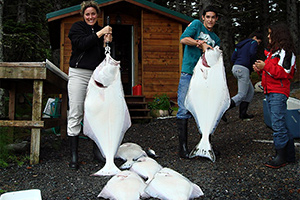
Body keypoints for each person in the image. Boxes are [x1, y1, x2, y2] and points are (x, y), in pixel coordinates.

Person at [67, 0, 112, 170]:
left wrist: (107, 42)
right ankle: (74, 155)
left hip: (96, 75)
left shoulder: (101, 30)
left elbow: (103, 56)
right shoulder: (76, 28)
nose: (90, 17)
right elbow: (82, 44)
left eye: (93, 14)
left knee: (96, 112)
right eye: (87, 14)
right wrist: (101, 33)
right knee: (76, 111)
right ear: (83, 15)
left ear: (97, 14)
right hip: (78, 74)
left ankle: (97, 152)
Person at [176, 6, 220, 158]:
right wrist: (200, 44)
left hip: (205, 77)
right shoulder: (196, 25)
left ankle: (206, 144)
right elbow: (183, 39)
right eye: (207, 17)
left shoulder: (216, 38)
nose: (210, 20)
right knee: (183, 108)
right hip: (188, 73)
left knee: (206, 109)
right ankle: (183, 148)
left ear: (216, 19)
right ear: (203, 17)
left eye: (213, 17)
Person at [253, 22, 296, 169]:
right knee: (280, 123)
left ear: (279, 35)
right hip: (270, 91)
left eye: (271, 33)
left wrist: (266, 66)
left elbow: (285, 72)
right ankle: (289, 156)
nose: (269, 36)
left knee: (278, 125)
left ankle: (281, 157)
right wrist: (260, 69)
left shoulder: (287, 52)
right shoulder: (273, 52)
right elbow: (271, 72)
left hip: (278, 92)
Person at [223, 31, 263, 121]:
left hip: (236, 68)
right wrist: (254, 63)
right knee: (241, 94)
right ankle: (223, 109)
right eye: (259, 41)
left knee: (250, 91)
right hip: (243, 69)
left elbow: (233, 58)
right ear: (255, 37)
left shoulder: (240, 45)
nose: (258, 44)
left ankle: (243, 114)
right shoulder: (253, 42)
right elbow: (252, 53)